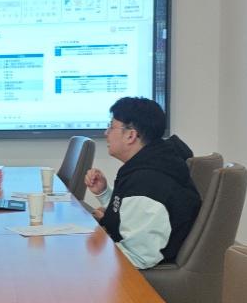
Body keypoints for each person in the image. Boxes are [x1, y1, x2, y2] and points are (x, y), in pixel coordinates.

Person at [84, 97, 201, 269]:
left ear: (131, 135)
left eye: (111, 126)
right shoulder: (154, 163)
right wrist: (104, 193)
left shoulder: (148, 183)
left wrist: (91, 248)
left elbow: (138, 257)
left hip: (140, 276)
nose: (106, 133)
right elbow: (133, 214)